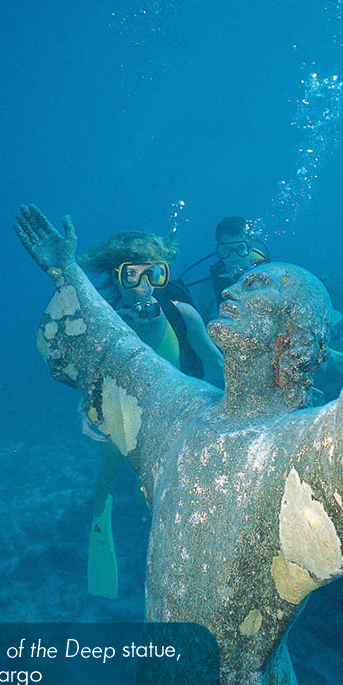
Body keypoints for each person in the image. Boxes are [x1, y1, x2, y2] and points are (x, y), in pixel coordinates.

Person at [15, 0, 343, 685]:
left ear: (294, 338)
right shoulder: (178, 412)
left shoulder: (300, 450)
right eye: (242, 281)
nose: (237, 288)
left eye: (262, 287)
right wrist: (69, 273)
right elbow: (117, 347)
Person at [77, 231, 224, 599]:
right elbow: (88, 376)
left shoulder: (182, 314)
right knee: (107, 478)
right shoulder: (103, 323)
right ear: (114, 277)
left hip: (177, 415)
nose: (143, 286)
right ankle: (100, 514)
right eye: (131, 275)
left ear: (164, 275)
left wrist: (234, 406)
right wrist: (86, 410)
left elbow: (216, 363)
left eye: (154, 274)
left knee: (171, 490)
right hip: (122, 417)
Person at [194, 216, 269, 323]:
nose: (234, 257)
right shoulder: (212, 284)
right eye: (226, 249)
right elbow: (205, 315)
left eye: (240, 248)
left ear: (249, 247)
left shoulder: (264, 272)